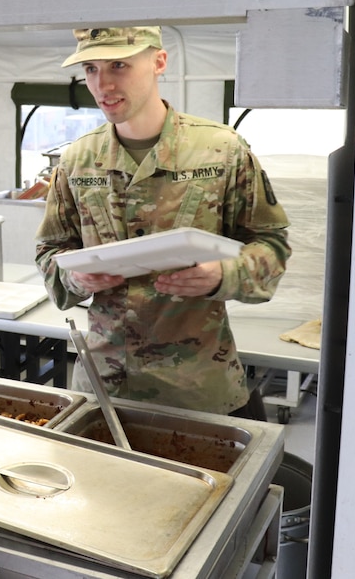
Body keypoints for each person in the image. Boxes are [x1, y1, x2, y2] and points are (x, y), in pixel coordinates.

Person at [35, 26, 290, 418]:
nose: (102, 84)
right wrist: (74, 278)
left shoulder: (221, 150)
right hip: (106, 386)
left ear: (159, 62)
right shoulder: (78, 160)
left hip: (199, 386)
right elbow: (51, 250)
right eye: (90, 69)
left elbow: (271, 244)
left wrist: (225, 274)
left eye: (119, 65)